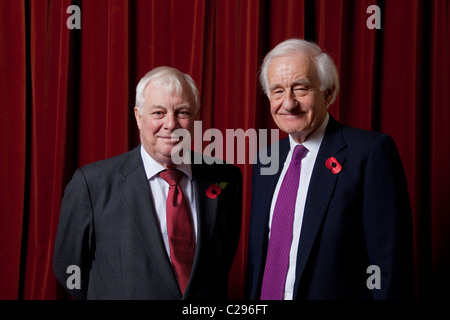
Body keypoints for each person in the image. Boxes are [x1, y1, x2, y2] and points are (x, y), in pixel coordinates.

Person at [54, 66, 242, 300]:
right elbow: (69, 268)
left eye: (182, 112)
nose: (171, 124)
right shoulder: (92, 184)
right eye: (158, 113)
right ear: (138, 117)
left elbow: (220, 264)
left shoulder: (226, 180)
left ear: (196, 117)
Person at [246, 39, 414, 300]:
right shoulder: (266, 159)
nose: (288, 103)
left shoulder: (370, 153)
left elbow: (389, 265)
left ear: (328, 92)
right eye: (277, 91)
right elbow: (259, 259)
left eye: (300, 88)